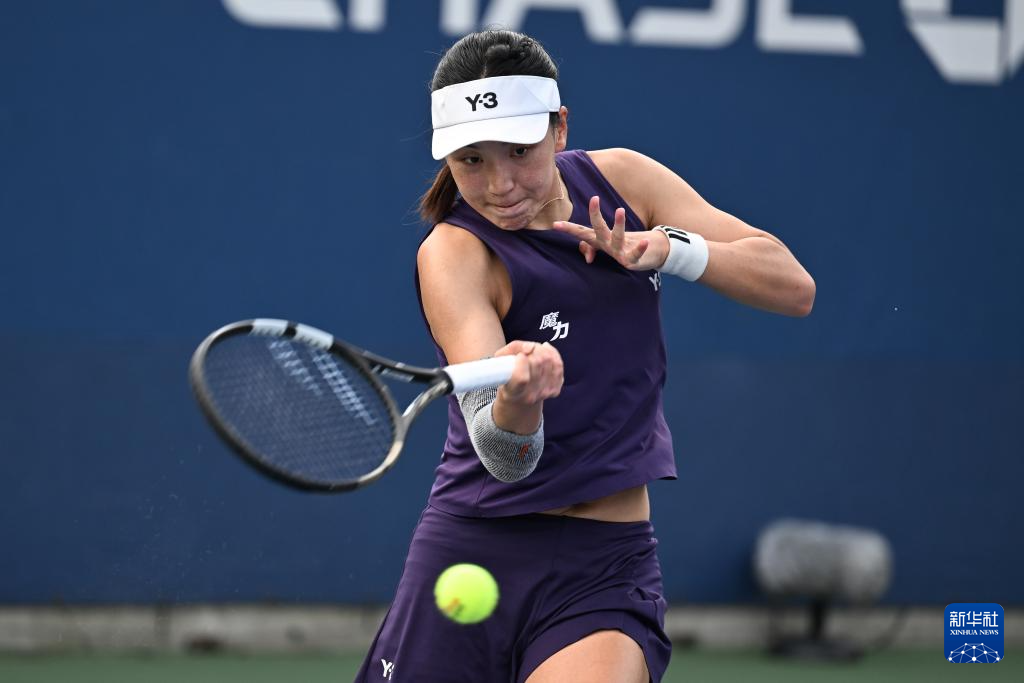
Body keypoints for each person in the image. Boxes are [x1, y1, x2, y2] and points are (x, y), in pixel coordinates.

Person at [355, 29, 815, 683]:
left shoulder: (624, 179)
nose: (500, 183)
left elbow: (794, 287)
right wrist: (520, 403)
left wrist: (670, 249)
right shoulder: (454, 253)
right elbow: (504, 457)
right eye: (471, 160)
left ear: (560, 127)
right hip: (471, 549)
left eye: (519, 151)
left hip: (605, 565)